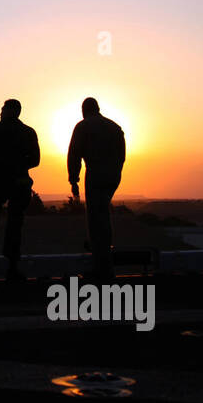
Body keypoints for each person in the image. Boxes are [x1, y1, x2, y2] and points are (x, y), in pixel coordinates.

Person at [0, 99, 41, 281]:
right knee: (15, 221)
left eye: (3, 109)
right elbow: (36, 160)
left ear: (9, 110)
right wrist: (19, 165)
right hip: (20, 181)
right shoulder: (28, 132)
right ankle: (12, 264)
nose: (0, 112)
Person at [67, 97, 125, 282]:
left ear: (84, 110)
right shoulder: (115, 127)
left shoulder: (83, 126)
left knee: (96, 220)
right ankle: (104, 259)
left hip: (96, 175)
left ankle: (102, 268)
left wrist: (73, 179)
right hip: (113, 176)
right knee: (103, 215)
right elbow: (122, 155)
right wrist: (115, 172)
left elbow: (74, 154)